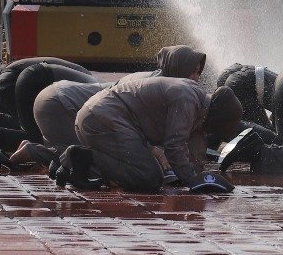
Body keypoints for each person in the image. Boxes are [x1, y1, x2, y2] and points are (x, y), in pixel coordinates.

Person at [67, 46, 239, 193]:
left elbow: (196, 146)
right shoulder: (187, 99)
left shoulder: (198, 102)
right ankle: (84, 158)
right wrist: (191, 179)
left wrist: (202, 177)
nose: (208, 133)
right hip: (102, 118)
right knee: (148, 178)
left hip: (99, 116)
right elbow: (174, 145)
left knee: (150, 172)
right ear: (214, 118)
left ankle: (72, 165)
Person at [0, 79, 106, 173]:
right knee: (80, 157)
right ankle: (30, 151)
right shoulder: (120, 97)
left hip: (48, 95)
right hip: (58, 103)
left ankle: (26, 148)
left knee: (73, 150)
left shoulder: (119, 87)